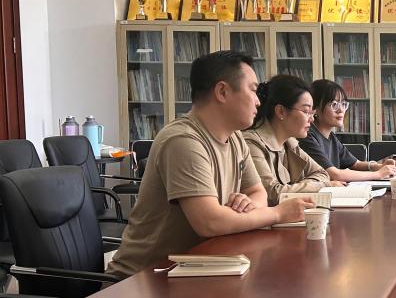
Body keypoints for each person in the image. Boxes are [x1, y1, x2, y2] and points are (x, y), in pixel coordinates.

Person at [108, 51, 314, 278]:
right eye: (253, 90)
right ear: (222, 92)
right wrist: (278, 213)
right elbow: (210, 222)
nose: (258, 101)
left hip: (196, 268)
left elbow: (259, 193)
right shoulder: (183, 140)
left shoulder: (235, 138)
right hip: (143, 279)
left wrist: (246, 205)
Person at [243, 74, 338, 206]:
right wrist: (323, 185)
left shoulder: (289, 143)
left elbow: (322, 173)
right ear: (281, 111)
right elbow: (271, 194)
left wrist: (294, 188)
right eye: (306, 111)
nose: (311, 119)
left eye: (312, 113)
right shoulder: (252, 143)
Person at [299, 79, 396, 182]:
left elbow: (355, 164)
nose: (341, 110)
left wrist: (378, 166)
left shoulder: (331, 136)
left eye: (343, 104)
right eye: (334, 104)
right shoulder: (307, 136)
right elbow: (334, 175)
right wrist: (378, 174)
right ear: (315, 108)